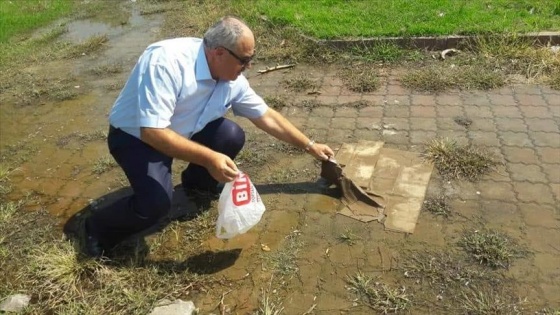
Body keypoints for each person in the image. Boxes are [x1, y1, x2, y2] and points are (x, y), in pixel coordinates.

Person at [83, 16, 334, 257]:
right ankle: (98, 229)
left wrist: (310, 145)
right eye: (245, 61)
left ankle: (197, 185)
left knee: (230, 135)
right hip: (137, 139)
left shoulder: (231, 77)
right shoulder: (166, 62)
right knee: (156, 204)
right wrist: (209, 158)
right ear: (219, 53)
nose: (249, 67)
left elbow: (265, 116)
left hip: (182, 129)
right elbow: (152, 132)